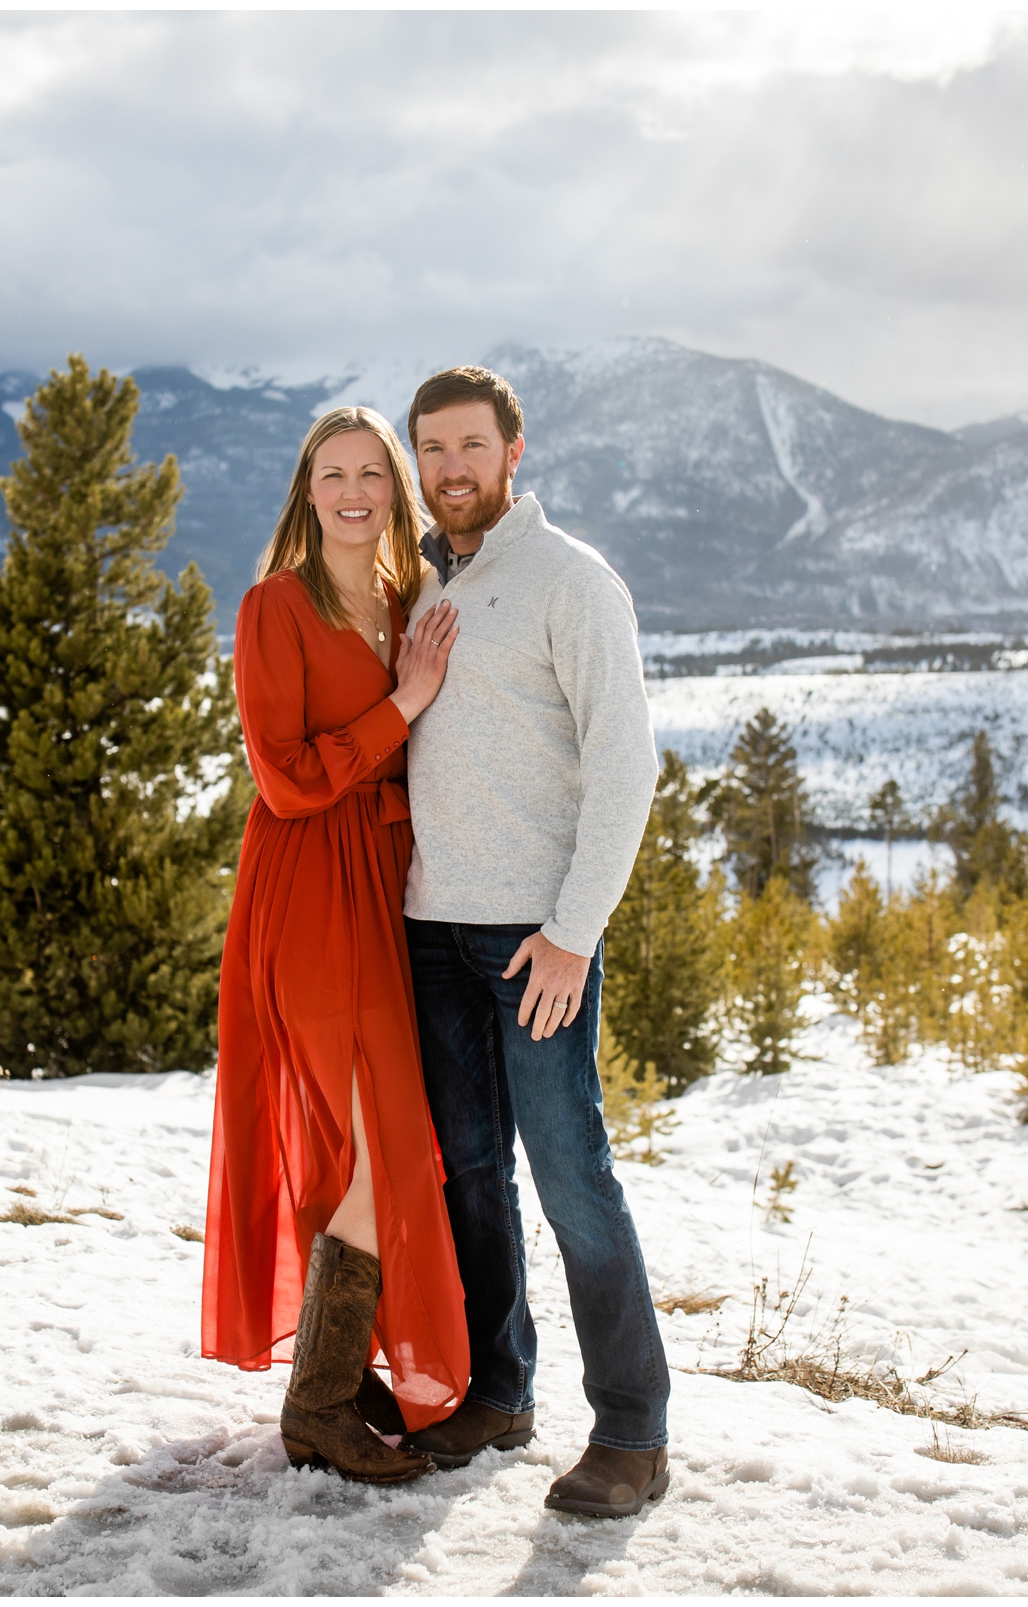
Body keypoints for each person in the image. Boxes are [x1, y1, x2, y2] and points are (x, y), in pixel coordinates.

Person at [395, 366, 673, 1518]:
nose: (450, 468)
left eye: (470, 445)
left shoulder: (573, 580)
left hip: (533, 940)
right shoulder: (417, 580)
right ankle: (501, 1390)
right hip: (429, 926)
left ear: (515, 450)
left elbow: (627, 766)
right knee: (467, 1170)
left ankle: (632, 1431)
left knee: (570, 1175)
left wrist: (572, 932)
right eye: (432, 449)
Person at [200, 405, 469, 1484]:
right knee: (376, 1138)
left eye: (372, 472)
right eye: (332, 473)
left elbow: (416, 763)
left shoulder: (407, 599)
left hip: (382, 888)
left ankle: (344, 1379)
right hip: (308, 890)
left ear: (393, 491)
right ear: (307, 491)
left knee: (368, 1135)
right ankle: (318, 1406)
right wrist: (404, 700)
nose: (353, 489)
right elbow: (286, 776)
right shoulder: (276, 606)